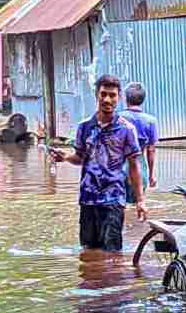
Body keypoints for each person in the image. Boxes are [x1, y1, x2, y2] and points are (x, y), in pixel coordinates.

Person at [49, 74, 148, 252]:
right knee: (88, 253)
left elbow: (134, 166)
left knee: (112, 254)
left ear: (119, 98)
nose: (107, 99)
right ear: (97, 95)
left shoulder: (127, 129)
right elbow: (80, 158)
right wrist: (65, 157)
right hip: (88, 199)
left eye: (112, 95)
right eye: (103, 94)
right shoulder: (85, 127)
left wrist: (140, 200)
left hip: (114, 199)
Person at [120, 82, 158, 205]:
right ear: (143, 99)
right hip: (140, 168)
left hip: (119, 168)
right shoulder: (151, 121)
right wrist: (151, 175)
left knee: (119, 206)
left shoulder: (117, 118)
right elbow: (151, 150)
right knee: (138, 205)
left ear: (125, 99)